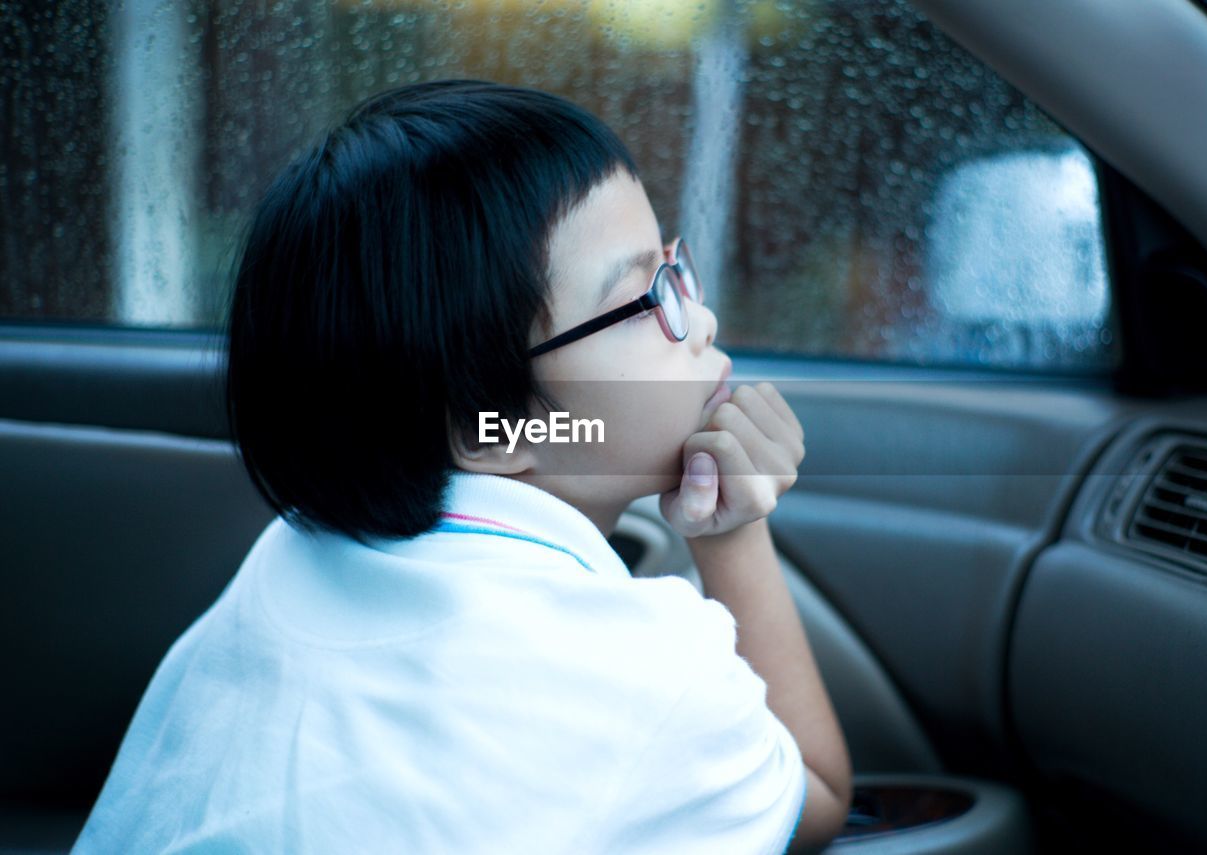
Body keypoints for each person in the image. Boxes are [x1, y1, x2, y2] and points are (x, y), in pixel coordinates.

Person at [72, 79, 851, 854]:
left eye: (674, 268)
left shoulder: (283, 563)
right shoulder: (645, 665)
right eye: (648, 297)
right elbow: (817, 797)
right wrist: (735, 534)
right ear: (496, 422)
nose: (701, 317)